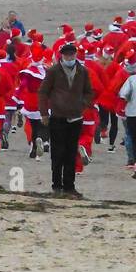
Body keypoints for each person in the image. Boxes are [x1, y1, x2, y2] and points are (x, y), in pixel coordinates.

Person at [39, 41, 96, 197]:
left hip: (76, 118)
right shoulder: (53, 71)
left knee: (71, 153)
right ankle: (56, 186)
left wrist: (82, 104)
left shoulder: (83, 71)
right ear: (62, 56)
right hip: (57, 117)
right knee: (57, 153)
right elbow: (43, 92)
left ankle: (69, 187)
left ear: (75, 55)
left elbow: (89, 92)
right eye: (67, 54)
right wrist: (44, 113)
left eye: (72, 54)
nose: (70, 57)